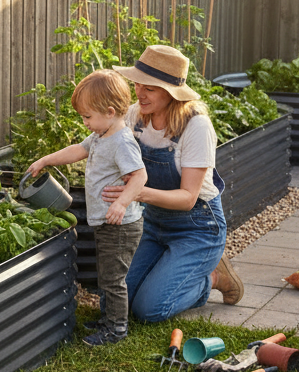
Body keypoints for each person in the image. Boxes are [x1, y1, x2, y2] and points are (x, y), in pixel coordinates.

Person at [102, 44, 244, 323]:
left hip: (198, 227)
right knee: (116, 300)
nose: (139, 92)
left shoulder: (196, 127)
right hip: (155, 224)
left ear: (171, 92)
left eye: (150, 88)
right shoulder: (135, 116)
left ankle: (213, 278)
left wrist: (136, 192)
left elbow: (188, 198)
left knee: (149, 310)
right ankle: (172, 270)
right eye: (138, 83)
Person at [25, 69, 147, 346]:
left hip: (120, 223)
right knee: (107, 275)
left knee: (113, 279)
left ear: (110, 111)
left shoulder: (122, 142)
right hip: (107, 222)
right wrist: (46, 160)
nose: (85, 123)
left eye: (87, 117)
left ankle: (116, 329)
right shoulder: (101, 136)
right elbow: (76, 151)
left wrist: (121, 202)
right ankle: (108, 319)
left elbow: (140, 176)